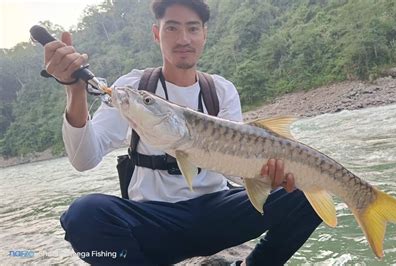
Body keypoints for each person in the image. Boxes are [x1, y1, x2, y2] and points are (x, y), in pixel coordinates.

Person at [43, 0, 322, 265]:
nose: (183, 39)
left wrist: (270, 176)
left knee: (309, 194)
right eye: (172, 28)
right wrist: (74, 89)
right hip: (155, 222)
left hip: (218, 213)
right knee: (83, 215)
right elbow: (84, 158)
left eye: (192, 28)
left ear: (204, 34)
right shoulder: (133, 89)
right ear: (157, 33)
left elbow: (236, 172)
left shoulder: (221, 91)